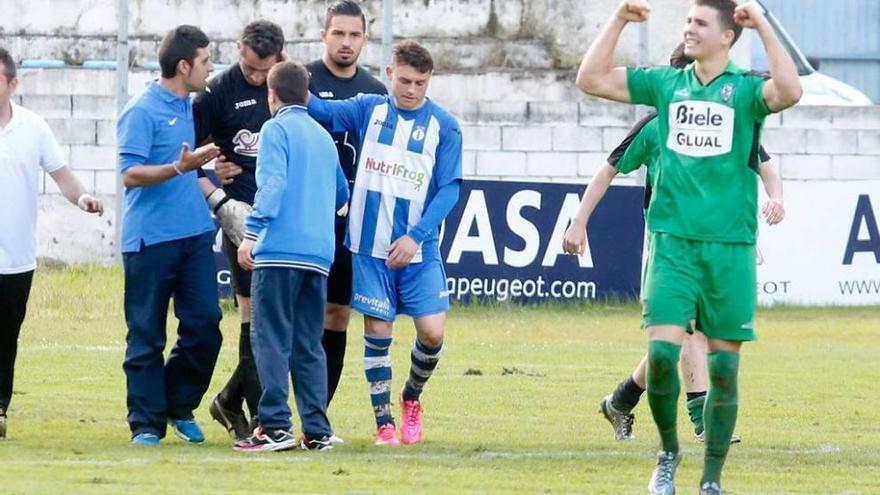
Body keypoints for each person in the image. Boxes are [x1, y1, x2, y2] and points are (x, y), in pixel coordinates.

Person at [575, 1, 801, 493]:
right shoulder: (663, 93)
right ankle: (670, 450)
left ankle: (706, 473)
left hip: (728, 248)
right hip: (669, 245)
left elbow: (789, 93)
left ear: (727, 36)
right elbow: (590, 80)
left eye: (699, 22)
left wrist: (761, 21)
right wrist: (617, 19)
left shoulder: (743, 95)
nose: (688, 29)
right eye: (687, 22)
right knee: (664, 350)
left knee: (719, 360)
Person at [216, 1, 388, 413]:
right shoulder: (299, 81)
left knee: (335, 319)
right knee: (280, 321)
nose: (346, 42)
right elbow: (263, 138)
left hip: (345, 226)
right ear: (323, 34)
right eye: (338, 33)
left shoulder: (376, 94)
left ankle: (315, 413)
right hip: (294, 225)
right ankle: (256, 407)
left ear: (365, 38)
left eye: (354, 34)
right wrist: (226, 163)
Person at [306, 40, 462, 446]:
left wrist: (415, 237)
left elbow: (448, 191)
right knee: (378, 331)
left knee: (431, 333)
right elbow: (320, 111)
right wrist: (283, 76)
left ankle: (411, 396)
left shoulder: (445, 126)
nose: (412, 89)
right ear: (391, 75)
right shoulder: (368, 108)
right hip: (368, 248)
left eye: (421, 83)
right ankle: (384, 425)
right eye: (406, 80)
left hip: (418, 251)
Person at [232, 61, 349, 452]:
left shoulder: (274, 128)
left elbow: (272, 185)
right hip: (318, 256)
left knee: (269, 338)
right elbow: (341, 196)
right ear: (307, 95)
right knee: (308, 343)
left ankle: (274, 426)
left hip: (279, 253)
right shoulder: (322, 135)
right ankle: (316, 428)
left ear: (272, 94)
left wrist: (251, 235)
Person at [116, 25, 224, 446]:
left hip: (195, 235)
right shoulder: (142, 109)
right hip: (150, 241)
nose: (211, 68)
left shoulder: (194, 105)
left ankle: (178, 404)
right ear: (184, 66)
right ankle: (145, 422)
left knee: (206, 325)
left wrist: (208, 163)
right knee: (146, 334)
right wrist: (179, 167)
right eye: (205, 60)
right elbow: (130, 174)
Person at [0, 47, 103, 440]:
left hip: (16, 258)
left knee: (6, 337)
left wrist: (83, 198)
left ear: (12, 84)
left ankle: (0, 406)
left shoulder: (33, 127)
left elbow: (62, 176)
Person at [191, 20, 286, 442]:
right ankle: (261, 418)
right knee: (252, 319)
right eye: (248, 68)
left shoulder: (289, 86)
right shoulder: (215, 93)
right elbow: (186, 159)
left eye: (263, 71)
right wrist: (216, 182)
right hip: (242, 222)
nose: (255, 77)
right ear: (238, 50)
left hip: (285, 220)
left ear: (278, 60)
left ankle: (229, 399)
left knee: (278, 322)